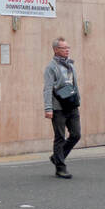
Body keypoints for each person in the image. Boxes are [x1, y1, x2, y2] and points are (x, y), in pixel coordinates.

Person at [43, 37, 81, 179]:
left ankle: (57, 157)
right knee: (60, 137)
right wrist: (48, 108)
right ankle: (60, 167)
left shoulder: (71, 65)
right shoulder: (51, 67)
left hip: (72, 105)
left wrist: (78, 99)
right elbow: (47, 89)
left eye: (68, 47)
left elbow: (74, 84)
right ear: (56, 50)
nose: (67, 50)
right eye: (64, 48)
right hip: (58, 107)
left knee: (76, 134)